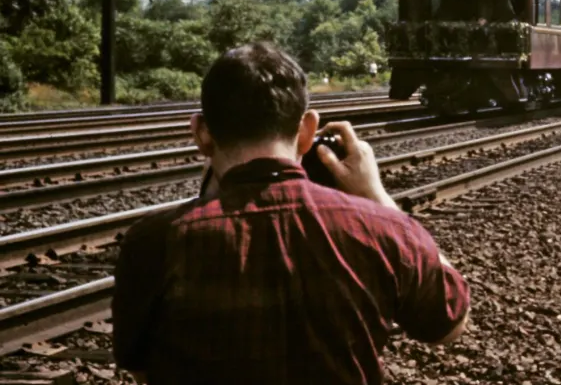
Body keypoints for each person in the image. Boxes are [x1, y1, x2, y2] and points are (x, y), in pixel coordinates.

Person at [112, 43, 470, 385]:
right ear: (307, 132)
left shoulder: (153, 241)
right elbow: (449, 323)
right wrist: (375, 196)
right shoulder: (383, 229)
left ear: (202, 134)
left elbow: (145, 371)